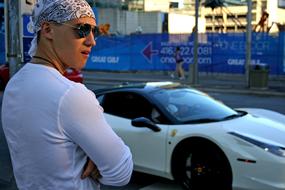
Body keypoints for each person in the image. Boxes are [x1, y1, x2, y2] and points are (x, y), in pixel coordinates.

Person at [1, 0, 133, 190]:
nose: (92, 40)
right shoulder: (70, 94)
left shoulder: (15, 84)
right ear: (47, 29)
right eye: (82, 29)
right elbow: (121, 172)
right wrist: (93, 159)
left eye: (94, 31)